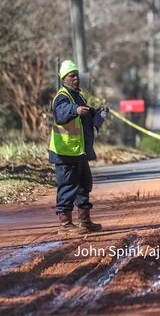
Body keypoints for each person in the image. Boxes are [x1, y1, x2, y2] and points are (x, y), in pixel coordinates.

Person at [49, 60, 108, 235]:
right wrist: (74, 110)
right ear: (64, 78)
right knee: (67, 186)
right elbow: (60, 113)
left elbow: (85, 116)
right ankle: (65, 225)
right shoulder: (62, 96)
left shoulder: (78, 96)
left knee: (84, 185)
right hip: (65, 151)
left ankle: (85, 221)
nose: (76, 78)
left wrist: (98, 114)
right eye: (71, 75)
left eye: (76, 75)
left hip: (79, 151)